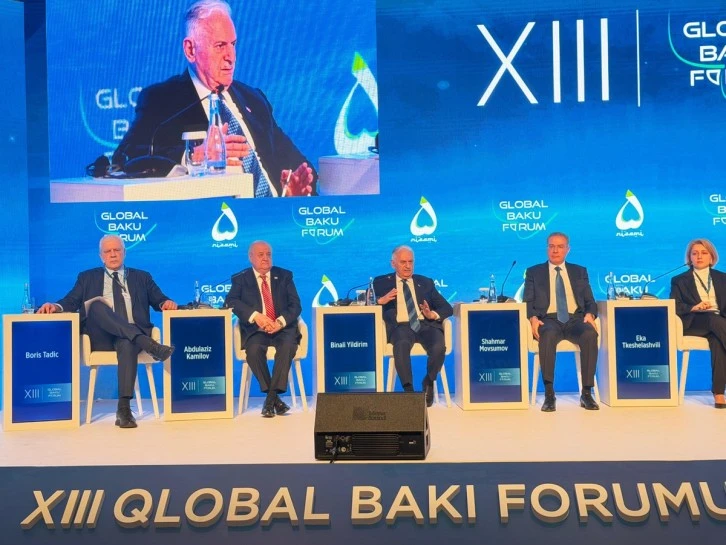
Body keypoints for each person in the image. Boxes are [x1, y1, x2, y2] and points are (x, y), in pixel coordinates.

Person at [112, 0, 315, 197]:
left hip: (274, 214)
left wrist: (292, 192)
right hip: (218, 215)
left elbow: (299, 165)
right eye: (219, 46)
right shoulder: (162, 99)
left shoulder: (253, 99)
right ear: (190, 50)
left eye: (233, 44)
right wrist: (194, 155)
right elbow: (125, 155)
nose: (230, 56)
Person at [37, 235, 177, 428]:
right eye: (108, 251)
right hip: (101, 337)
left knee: (127, 341)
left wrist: (166, 303)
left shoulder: (142, 277)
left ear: (124, 253)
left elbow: (159, 300)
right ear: (101, 256)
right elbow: (71, 301)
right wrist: (55, 306)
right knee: (95, 306)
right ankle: (149, 345)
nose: (113, 254)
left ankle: (124, 409)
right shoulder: (87, 277)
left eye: (117, 250)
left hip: (130, 336)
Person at [524, 232, 599, 412]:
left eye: (560, 247)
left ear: (568, 249)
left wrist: (590, 314)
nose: (555, 250)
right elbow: (528, 302)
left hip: (575, 319)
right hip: (548, 319)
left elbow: (590, 301)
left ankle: (586, 393)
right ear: (547, 248)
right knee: (547, 335)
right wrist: (533, 318)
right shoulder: (534, 272)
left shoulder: (579, 271)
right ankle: (549, 394)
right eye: (551, 246)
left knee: (589, 334)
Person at [225, 241, 302, 417]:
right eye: (261, 255)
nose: (265, 258)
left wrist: (280, 322)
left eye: (268, 254)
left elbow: (296, 305)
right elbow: (231, 301)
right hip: (257, 330)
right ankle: (275, 400)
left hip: (282, 329)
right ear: (250, 257)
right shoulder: (241, 278)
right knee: (253, 351)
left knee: (287, 347)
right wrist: (256, 317)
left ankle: (270, 399)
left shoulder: (284, 276)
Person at [373, 245, 453, 407]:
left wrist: (432, 315)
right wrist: (380, 301)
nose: (408, 266)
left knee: (439, 346)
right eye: (403, 262)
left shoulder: (425, 282)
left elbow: (447, 308)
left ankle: (429, 381)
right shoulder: (381, 283)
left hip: (425, 324)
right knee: (401, 344)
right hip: (400, 327)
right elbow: (368, 306)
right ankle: (409, 391)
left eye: (410, 262)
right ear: (393, 264)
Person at [670, 238, 726, 408]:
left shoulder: (723, 278)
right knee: (712, 319)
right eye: (695, 253)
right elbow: (674, 305)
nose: (699, 256)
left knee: (717, 341)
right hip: (695, 322)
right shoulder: (679, 280)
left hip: (720, 323)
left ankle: (718, 393)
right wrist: (694, 307)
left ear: (712, 257)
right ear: (690, 258)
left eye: (703, 253)